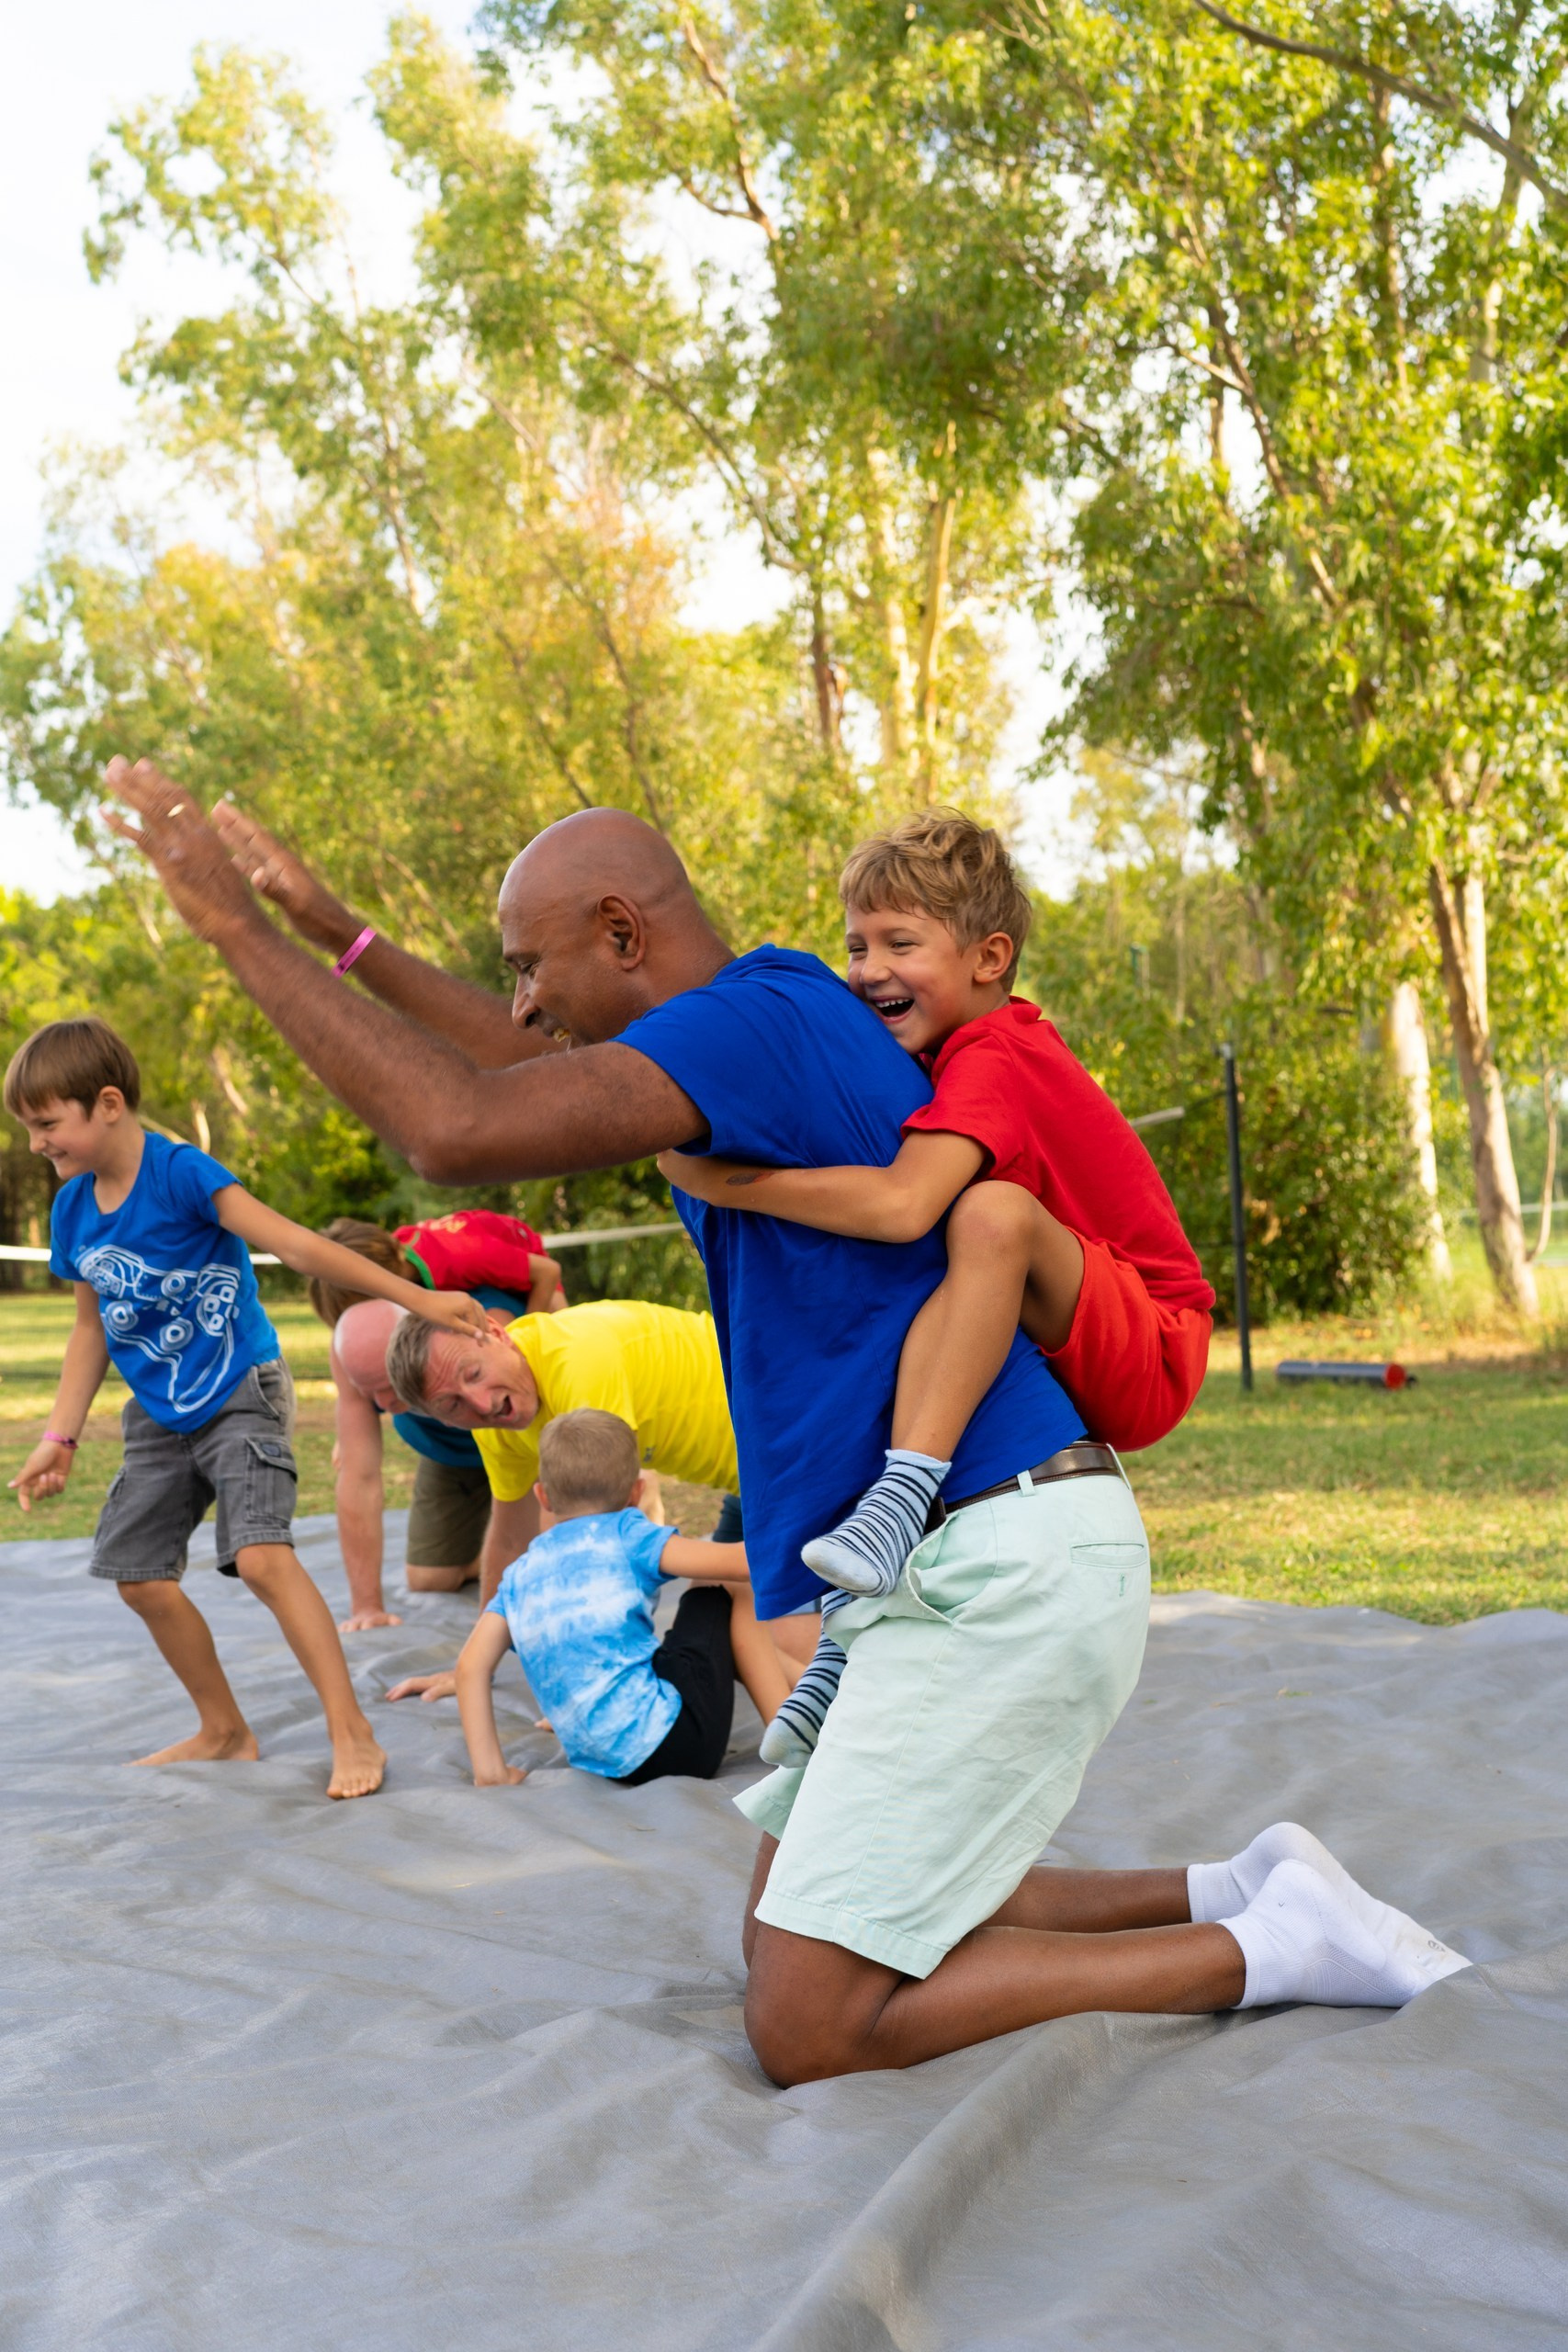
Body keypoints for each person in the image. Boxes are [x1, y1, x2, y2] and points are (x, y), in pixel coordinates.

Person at [103, 765, 1471, 2078]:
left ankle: (1261, 1947)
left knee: (808, 2022)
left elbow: (458, 1125)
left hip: (1001, 1555)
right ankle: (1234, 1884)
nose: (521, 1007)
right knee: (812, 1933)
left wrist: (224, 919)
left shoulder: (752, 1030)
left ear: (621, 930)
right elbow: (507, 1077)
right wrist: (342, 939)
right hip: (960, 1556)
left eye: (531, 967)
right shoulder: (761, 1029)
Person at [661, 808, 1214, 1765]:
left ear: (989, 956)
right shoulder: (929, 1061)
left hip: (1155, 1338)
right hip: (1072, 1323)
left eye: (900, 943)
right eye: (855, 944)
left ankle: (898, 1503)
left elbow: (903, 1205)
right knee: (909, 1309)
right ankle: (849, 1633)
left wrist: (731, 1182)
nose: (868, 967)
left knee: (985, 1214)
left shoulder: (997, 1053)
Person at [4, 1016, 488, 1799]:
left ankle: (350, 1730)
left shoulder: (184, 1175)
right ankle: (224, 1732)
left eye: (47, 1125)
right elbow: (90, 1329)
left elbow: (298, 1247)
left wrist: (420, 1300)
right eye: (28, 1129)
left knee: (262, 1556)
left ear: (108, 1104)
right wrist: (59, 1436)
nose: (36, 1145)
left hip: (239, 1390)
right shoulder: (72, 1213)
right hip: (160, 1411)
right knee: (138, 1576)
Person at [378, 1294, 755, 1704]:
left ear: (496, 1334)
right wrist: (473, 1666)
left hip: (789, 1437)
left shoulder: (578, 1362)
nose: (482, 1403)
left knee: (760, 1629)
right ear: (443, 1422)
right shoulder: (493, 1422)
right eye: (452, 1405)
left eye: (473, 1374)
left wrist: (592, 1686)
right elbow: (508, 1537)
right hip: (749, 1486)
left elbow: (600, 1545)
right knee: (725, 1615)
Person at [456, 1407, 789, 1787]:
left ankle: (796, 1696)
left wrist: (492, 1772)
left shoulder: (518, 1575)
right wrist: (822, 1529)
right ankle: (790, 1739)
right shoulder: (628, 1532)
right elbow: (741, 1564)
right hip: (681, 1744)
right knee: (723, 1589)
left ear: (542, 1496)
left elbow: (470, 1668)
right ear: (637, 1492)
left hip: (597, 1759)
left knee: (690, 1627)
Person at [307, 1216, 565, 1632]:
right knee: (430, 1578)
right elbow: (359, 1476)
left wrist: (530, 1334)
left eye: (391, 1388)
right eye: (375, 1395)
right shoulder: (355, 1340)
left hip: (524, 1432)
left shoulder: (471, 1306)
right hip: (453, 1453)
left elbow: (545, 1282)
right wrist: (366, 1607)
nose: (386, 1406)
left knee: (554, 1549)